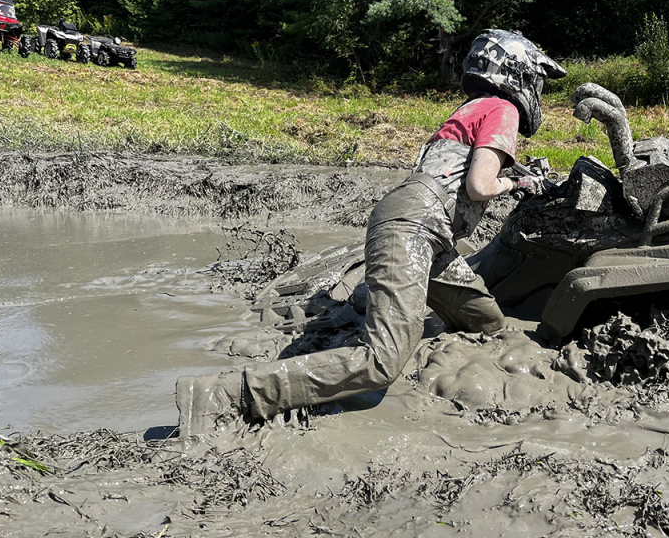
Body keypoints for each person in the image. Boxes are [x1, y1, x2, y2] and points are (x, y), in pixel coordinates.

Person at [176, 30, 566, 436]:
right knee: (381, 362)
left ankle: (384, 309)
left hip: (426, 231)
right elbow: (480, 187)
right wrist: (520, 184)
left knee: (487, 322)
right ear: (518, 72)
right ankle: (226, 395)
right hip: (414, 227)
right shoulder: (504, 108)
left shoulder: (475, 106)